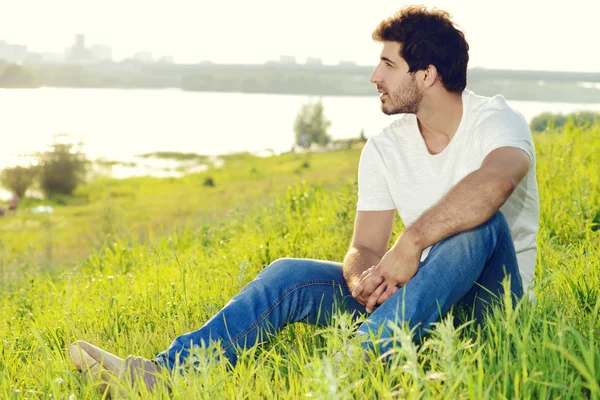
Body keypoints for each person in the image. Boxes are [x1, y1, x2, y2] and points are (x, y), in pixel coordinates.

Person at [70, 5, 539, 395]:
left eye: (388, 65)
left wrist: (413, 242)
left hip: (489, 312)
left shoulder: (497, 121)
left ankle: (345, 372)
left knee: (479, 224)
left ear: (428, 73)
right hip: (409, 305)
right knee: (289, 273)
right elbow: (366, 247)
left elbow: (495, 184)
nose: (374, 75)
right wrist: (363, 280)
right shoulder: (384, 147)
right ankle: (163, 375)